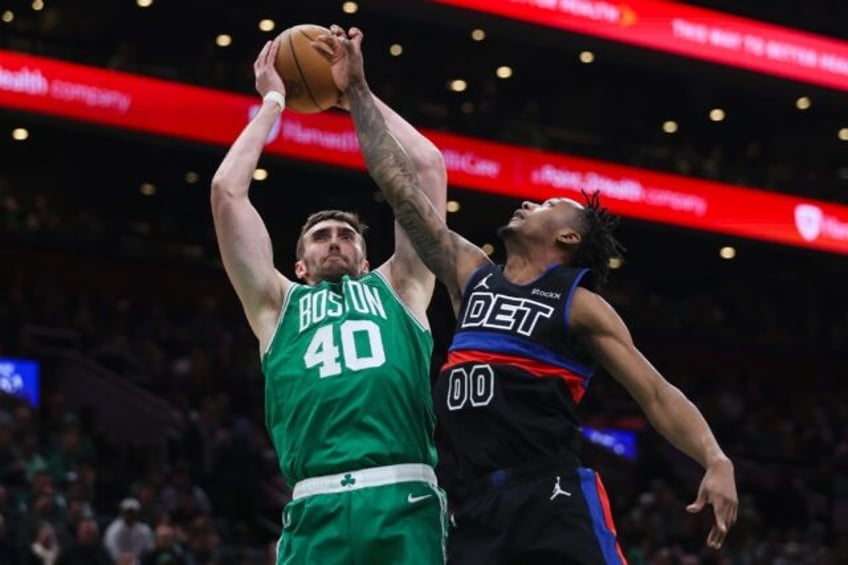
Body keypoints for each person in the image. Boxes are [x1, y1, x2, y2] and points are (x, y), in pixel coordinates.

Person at [317, 25, 739, 565]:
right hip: (474, 505)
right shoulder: (472, 273)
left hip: (551, 496)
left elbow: (655, 393)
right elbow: (400, 190)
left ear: (568, 236)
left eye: (546, 203)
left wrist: (715, 457)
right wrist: (355, 93)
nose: (527, 202)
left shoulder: (578, 302)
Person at [210, 35, 448, 564]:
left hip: (402, 495)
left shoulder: (401, 286)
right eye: (321, 237)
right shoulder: (275, 306)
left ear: (366, 261)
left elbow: (427, 166)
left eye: (347, 235)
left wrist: (356, 95)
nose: (335, 240)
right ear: (298, 266)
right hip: (313, 505)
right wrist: (273, 100)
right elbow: (227, 193)